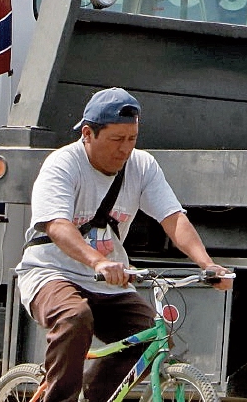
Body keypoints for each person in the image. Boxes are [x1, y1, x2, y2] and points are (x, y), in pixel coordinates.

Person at [15, 87, 231, 402]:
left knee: (151, 337)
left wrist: (207, 264)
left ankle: (96, 396)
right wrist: (98, 262)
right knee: (75, 317)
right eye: (117, 140)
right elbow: (58, 226)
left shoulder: (142, 166)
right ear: (88, 134)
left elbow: (173, 219)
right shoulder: (63, 165)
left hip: (107, 283)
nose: (125, 150)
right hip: (50, 273)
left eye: (132, 139)